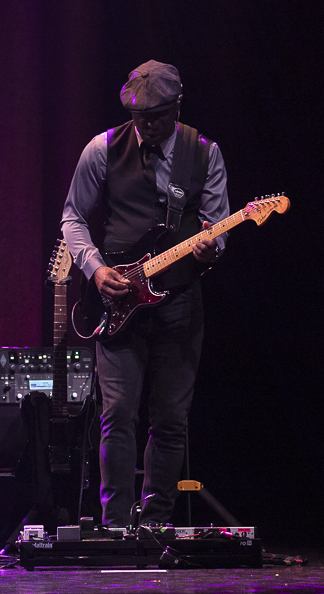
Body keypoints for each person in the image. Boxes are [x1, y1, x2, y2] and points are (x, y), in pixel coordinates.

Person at [61, 60, 230, 527]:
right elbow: (73, 217)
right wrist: (95, 269)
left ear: (177, 106)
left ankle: (156, 523)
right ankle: (116, 525)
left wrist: (209, 249)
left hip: (179, 301)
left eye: (157, 116)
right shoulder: (101, 149)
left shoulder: (205, 153)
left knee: (171, 419)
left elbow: (216, 228)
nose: (148, 125)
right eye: (139, 117)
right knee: (117, 414)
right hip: (117, 300)